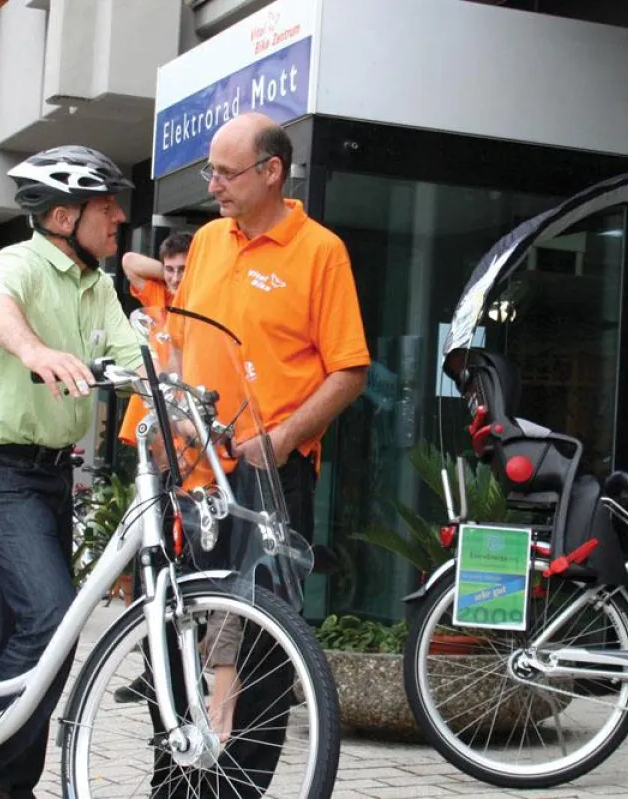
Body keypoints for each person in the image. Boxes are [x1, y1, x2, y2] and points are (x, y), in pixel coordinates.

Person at [159, 112, 370, 795]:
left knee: (263, 642)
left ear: (272, 171)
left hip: (273, 476)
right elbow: (183, 342)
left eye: (225, 171)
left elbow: (349, 370)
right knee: (181, 631)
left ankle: (238, 786)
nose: (212, 184)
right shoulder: (211, 242)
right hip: (195, 475)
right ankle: (174, 782)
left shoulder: (319, 251)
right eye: (210, 170)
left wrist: (280, 438)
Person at [0, 144, 143, 799]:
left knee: (50, 632)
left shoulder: (98, 285)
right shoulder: (19, 262)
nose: (119, 216)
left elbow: (132, 355)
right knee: (50, 619)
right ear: (63, 215)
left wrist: (189, 399)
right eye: (106, 204)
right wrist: (34, 347)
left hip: (54, 477)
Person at [117, 231, 193, 449]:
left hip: (189, 409)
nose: (175, 277)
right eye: (170, 269)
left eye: (183, 269)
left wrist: (194, 275)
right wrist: (171, 276)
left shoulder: (203, 297)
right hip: (155, 406)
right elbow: (129, 261)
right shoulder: (159, 293)